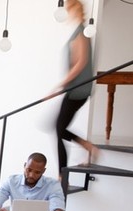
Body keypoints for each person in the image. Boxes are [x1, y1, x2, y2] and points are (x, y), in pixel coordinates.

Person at [53, 0, 97, 187]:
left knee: (58, 129)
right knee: (58, 128)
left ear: (72, 11)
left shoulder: (80, 34)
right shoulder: (79, 31)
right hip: (74, 89)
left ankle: (62, 175)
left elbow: (80, 64)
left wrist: (58, 86)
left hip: (76, 90)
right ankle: (86, 147)